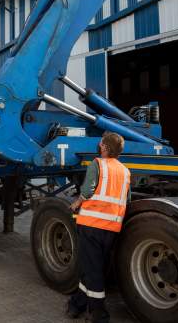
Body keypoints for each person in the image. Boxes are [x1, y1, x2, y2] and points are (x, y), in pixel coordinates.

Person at [66, 131, 130, 323]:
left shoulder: (98, 164)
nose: (99, 145)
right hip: (111, 228)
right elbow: (126, 199)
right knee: (92, 266)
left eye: (101, 143)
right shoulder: (125, 171)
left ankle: (99, 314)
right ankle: (76, 304)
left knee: (93, 271)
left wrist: (76, 203)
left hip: (91, 226)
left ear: (105, 147)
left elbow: (87, 190)